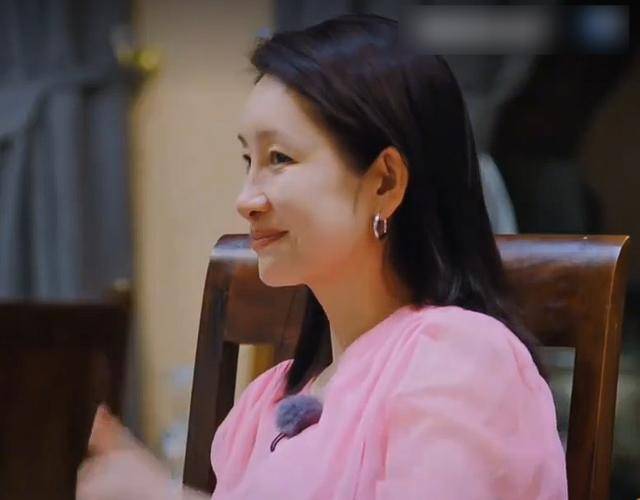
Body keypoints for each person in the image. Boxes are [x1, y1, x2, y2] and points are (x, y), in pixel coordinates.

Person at [77, 13, 568, 499]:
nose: (246, 199)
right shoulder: (266, 402)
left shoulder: (462, 359)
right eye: (248, 160)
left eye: (279, 159)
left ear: (385, 182)